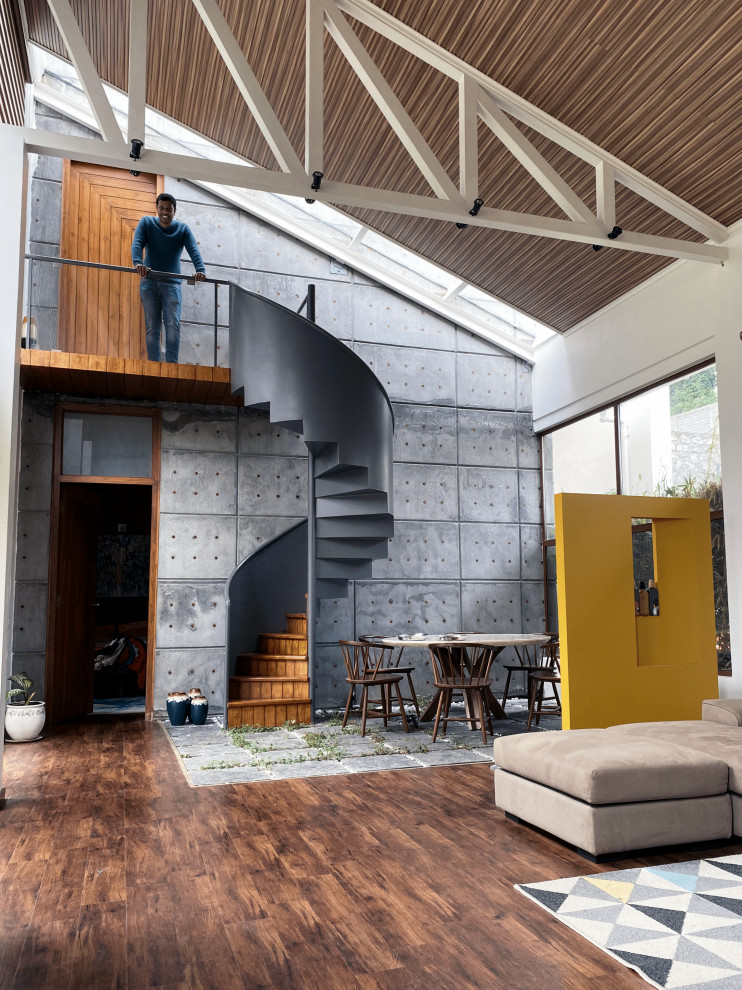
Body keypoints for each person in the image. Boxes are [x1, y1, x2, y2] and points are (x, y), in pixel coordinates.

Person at [131, 193, 206, 363]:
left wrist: (200, 270)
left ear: (174, 211)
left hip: (172, 284)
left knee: (173, 326)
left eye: (169, 209)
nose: (165, 212)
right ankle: (154, 366)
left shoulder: (182, 229)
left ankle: (171, 367)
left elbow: (193, 250)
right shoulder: (147, 223)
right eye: (162, 208)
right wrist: (137, 262)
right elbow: (137, 243)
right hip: (149, 281)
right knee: (152, 327)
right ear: (156, 208)